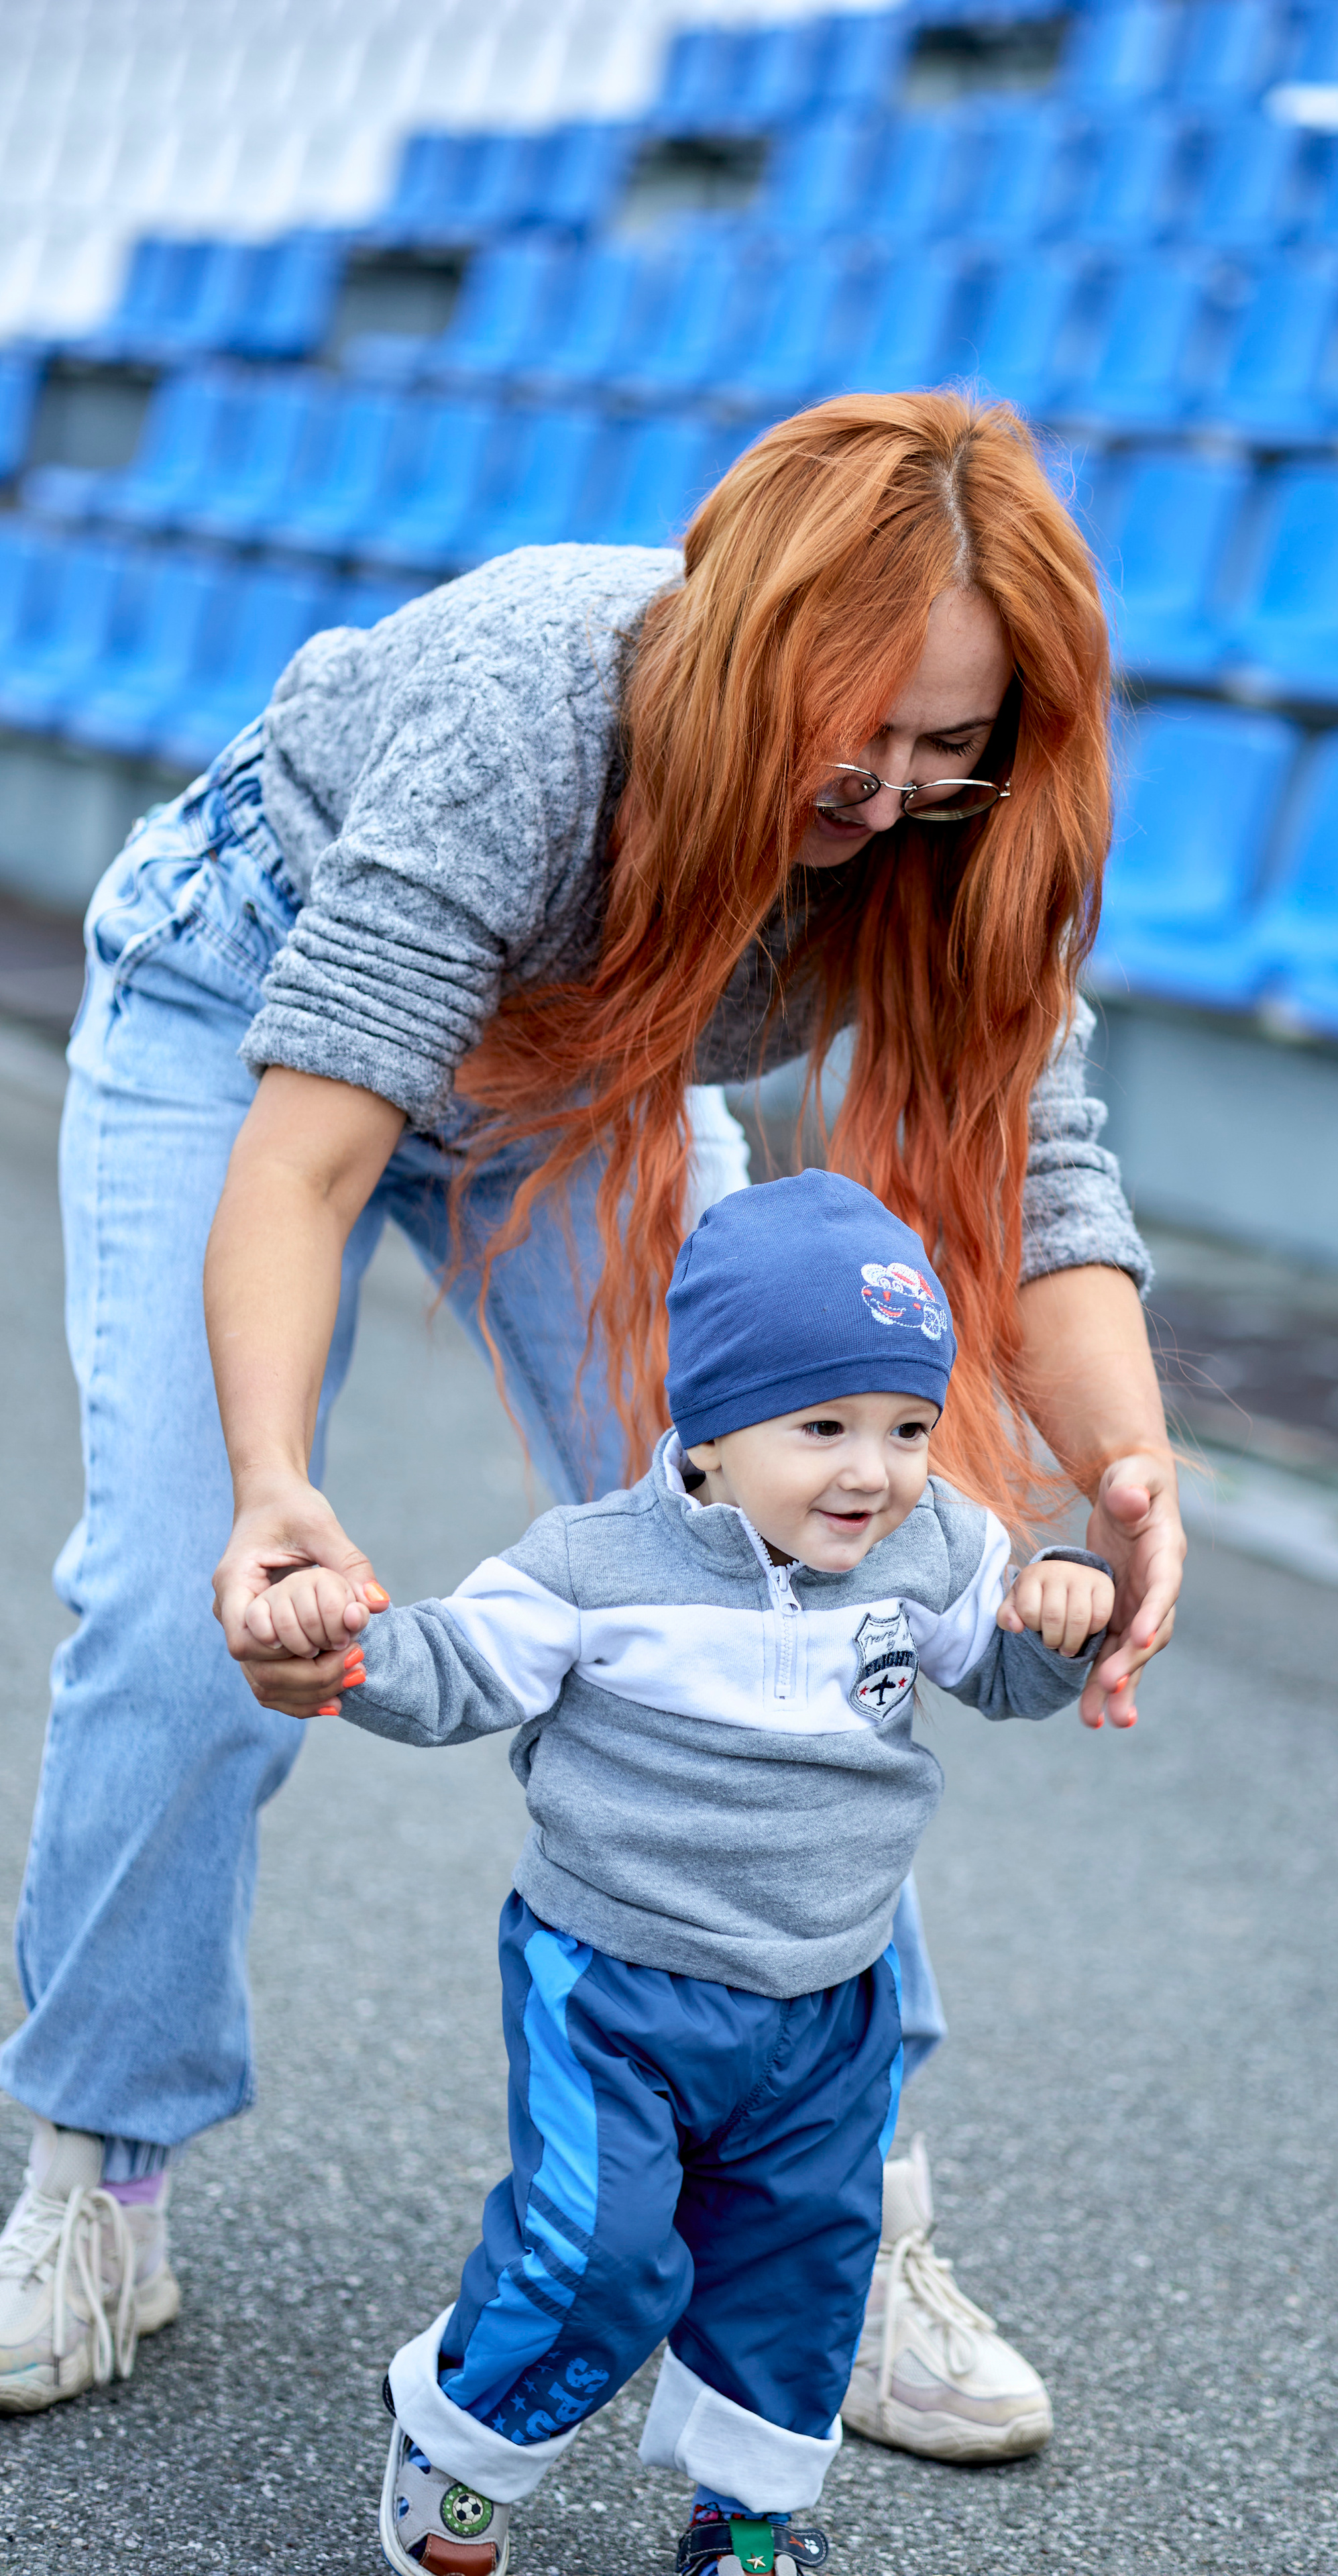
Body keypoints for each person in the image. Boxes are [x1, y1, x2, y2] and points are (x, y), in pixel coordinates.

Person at [0, 392, 1186, 2434]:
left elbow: (1038, 1173)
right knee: (184, 1610)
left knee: (799, 1572)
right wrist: (274, 1486)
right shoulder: (528, 710)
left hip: (587, 1082)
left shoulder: (964, 839)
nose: (887, 791)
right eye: (851, 732)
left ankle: (841, 2223)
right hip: (248, 1013)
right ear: (744, 649)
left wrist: (1124, 1466)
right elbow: (305, 1158)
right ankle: (98, 2175)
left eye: (946, 745)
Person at [252, 1171, 1118, 2576]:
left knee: (800, 2264)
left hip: (828, 2001)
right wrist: (338, 1645)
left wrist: (1067, 1611)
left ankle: (749, 2515)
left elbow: (1010, 1675)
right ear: (709, 1429)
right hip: (616, 1984)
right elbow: (455, 1667)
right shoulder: (594, 1565)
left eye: (906, 1427)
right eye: (822, 1427)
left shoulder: (935, 1546)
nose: (871, 1471)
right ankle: (461, 2443)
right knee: (598, 2253)